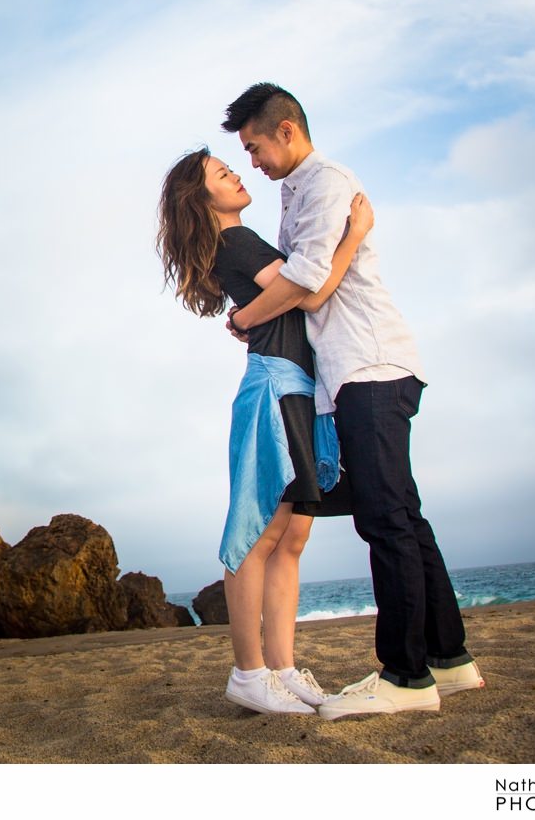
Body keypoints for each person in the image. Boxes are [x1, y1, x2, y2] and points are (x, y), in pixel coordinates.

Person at [222, 82, 484, 719]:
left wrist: (245, 318)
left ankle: (404, 677)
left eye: (254, 146)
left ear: (286, 130)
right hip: (356, 374)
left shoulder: (326, 183)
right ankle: (450, 661)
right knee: (404, 514)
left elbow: (308, 287)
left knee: (385, 519)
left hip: (369, 365)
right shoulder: (295, 193)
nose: (251, 161)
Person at [158, 146, 370, 715]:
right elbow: (311, 290)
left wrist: (245, 318)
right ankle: (249, 674)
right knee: (260, 535)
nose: (234, 174)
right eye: (220, 174)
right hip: (275, 388)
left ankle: (282, 668)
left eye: (230, 167)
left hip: (300, 387)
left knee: (292, 538)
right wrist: (356, 236)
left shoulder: (242, 242)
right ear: (200, 201)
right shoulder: (237, 241)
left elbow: (294, 297)